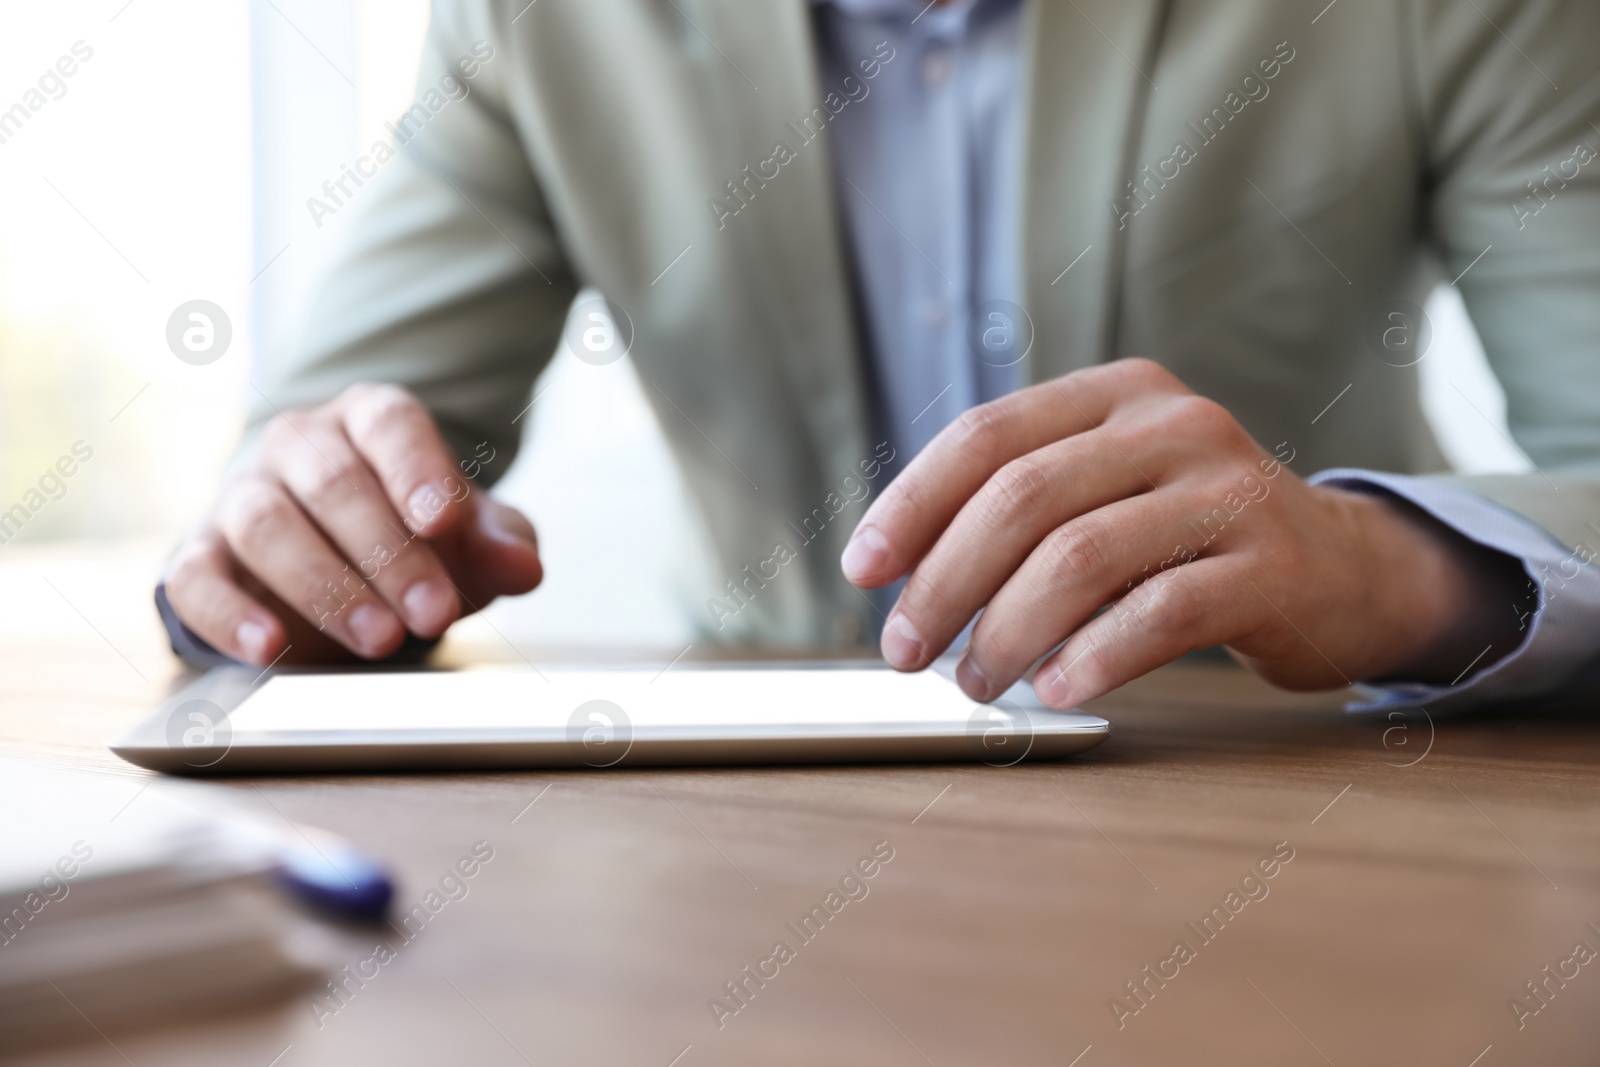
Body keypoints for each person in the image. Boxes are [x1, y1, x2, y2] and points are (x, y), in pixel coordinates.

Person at [159, 0, 1600, 712]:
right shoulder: (537, 20)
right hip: (733, 861)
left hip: (1263, 800)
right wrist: (306, 532)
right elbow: (318, 458)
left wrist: (1383, 568)